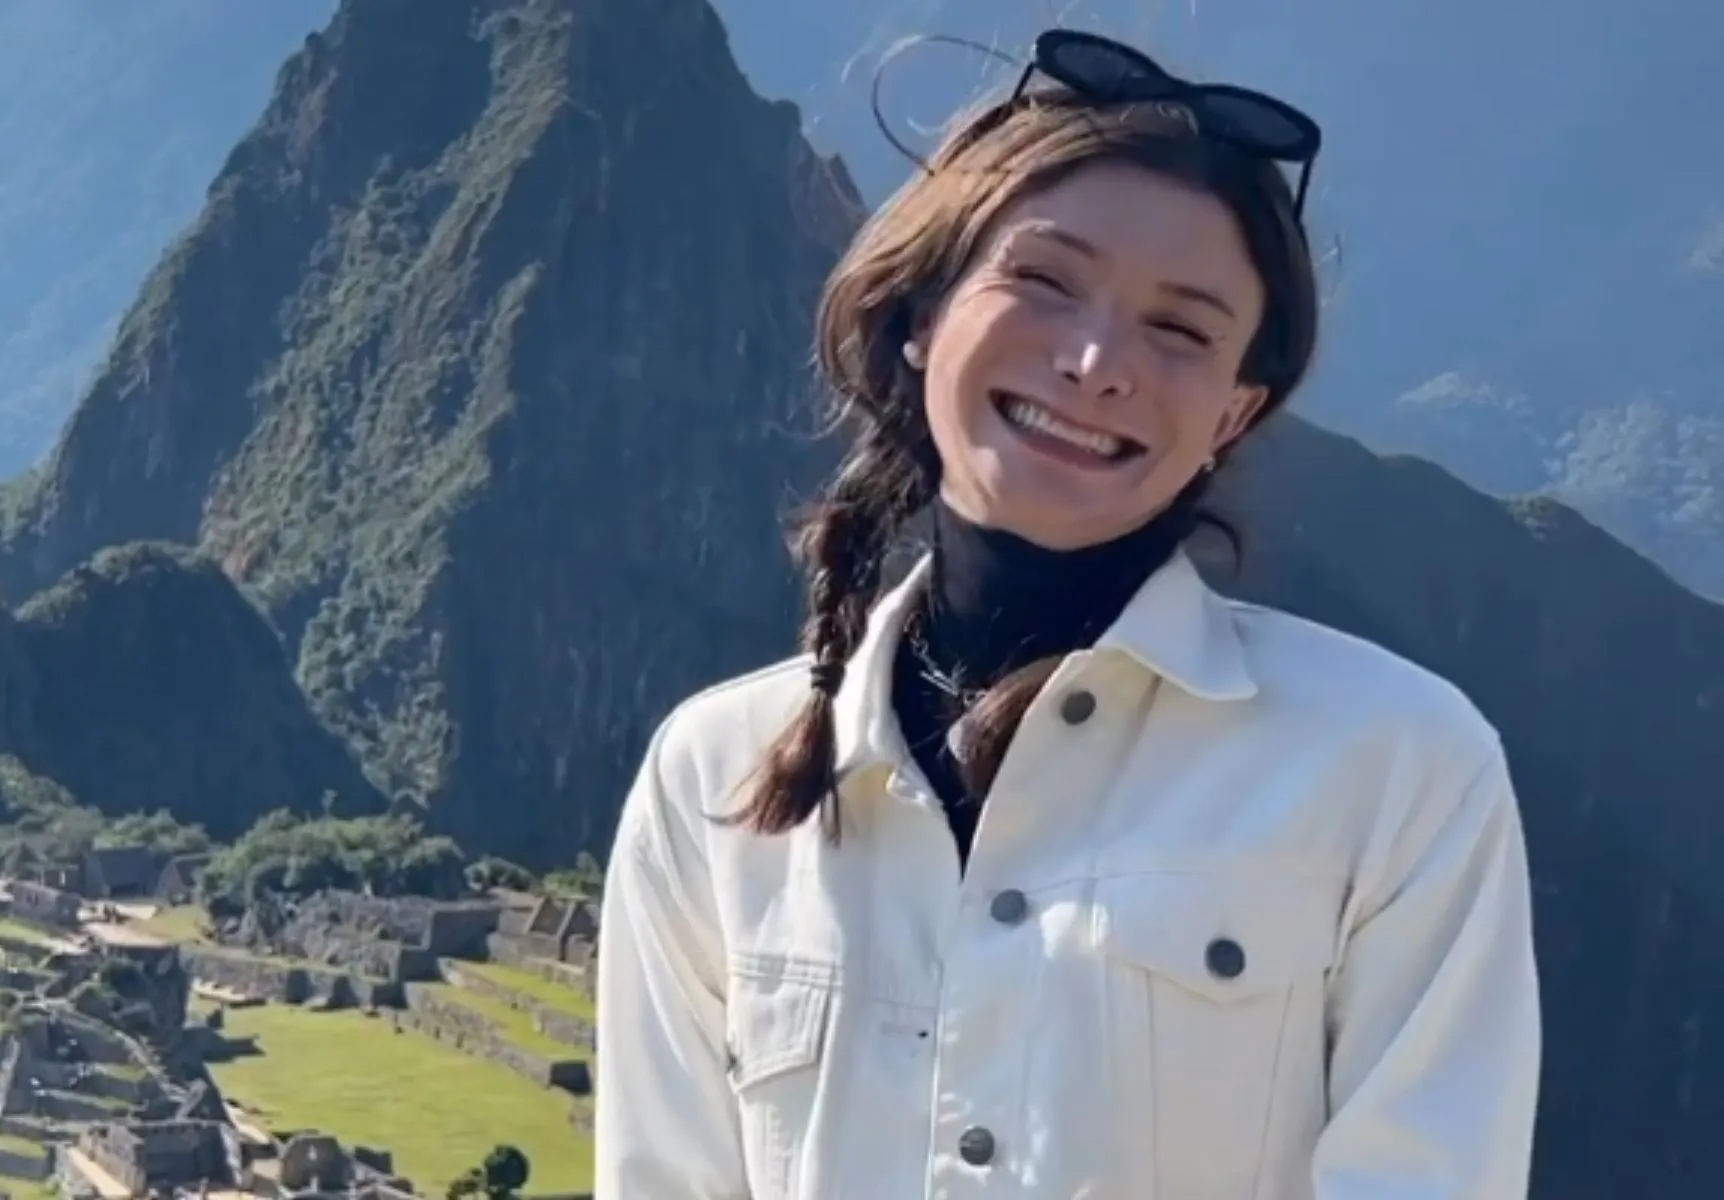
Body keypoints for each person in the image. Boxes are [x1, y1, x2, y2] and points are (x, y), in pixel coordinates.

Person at [594, 27, 1540, 1200]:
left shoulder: (1395, 767)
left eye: (1180, 329)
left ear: (1235, 412)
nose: (1096, 362)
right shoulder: (715, 779)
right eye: (1042, 280)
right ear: (923, 314)